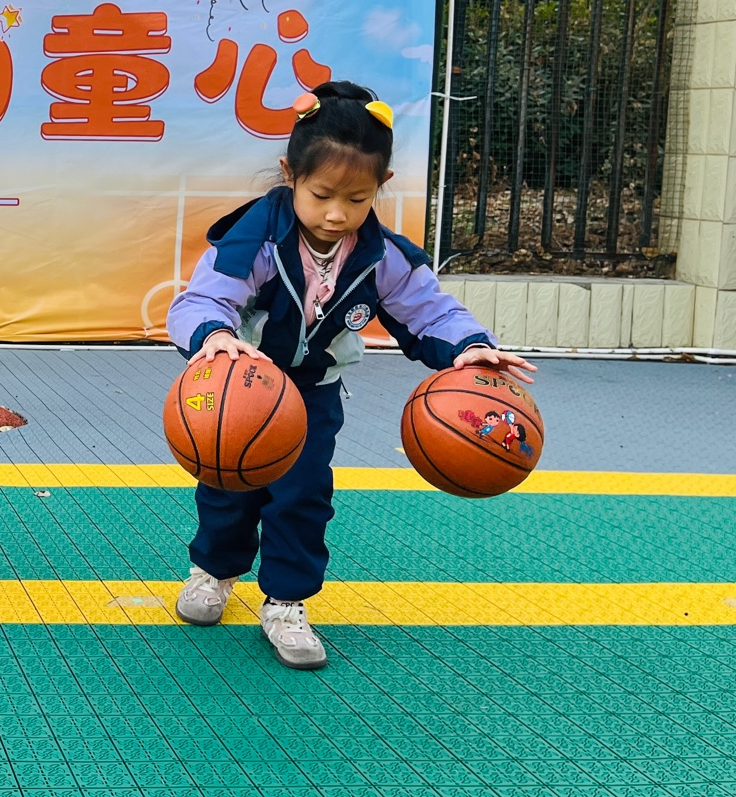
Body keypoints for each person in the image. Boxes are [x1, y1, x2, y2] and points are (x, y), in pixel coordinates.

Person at [166, 82, 535, 669]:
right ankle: (214, 570)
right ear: (290, 175)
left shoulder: (382, 255)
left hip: (313, 392)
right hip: (242, 383)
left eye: (357, 198)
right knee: (228, 482)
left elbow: (430, 311)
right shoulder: (254, 238)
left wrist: (470, 348)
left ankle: (285, 602)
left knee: (303, 494)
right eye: (322, 195)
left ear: (381, 186)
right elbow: (201, 300)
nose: (337, 213)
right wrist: (214, 336)